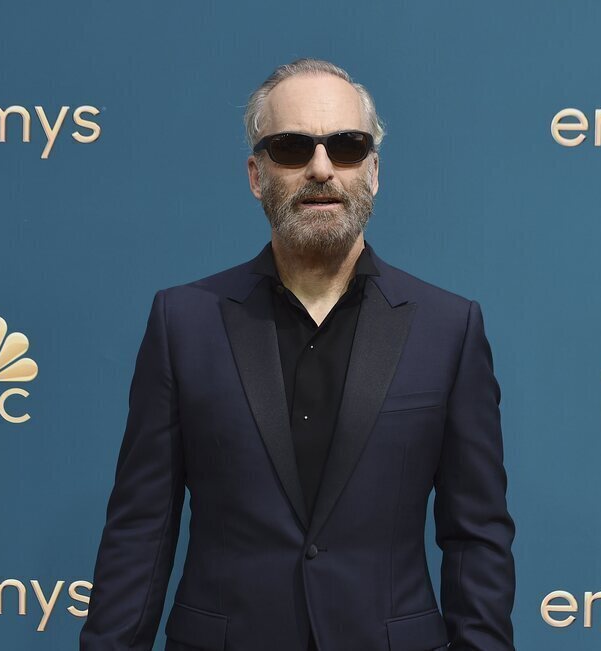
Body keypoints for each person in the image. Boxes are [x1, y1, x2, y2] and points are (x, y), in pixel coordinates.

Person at [80, 58, 516, 651]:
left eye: (346, 146)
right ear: (257, 175)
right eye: (291, 148)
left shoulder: (448, 328)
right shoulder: (183, 323)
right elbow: (141, 529)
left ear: (374, 171)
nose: (321, 168)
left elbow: (476, 537)